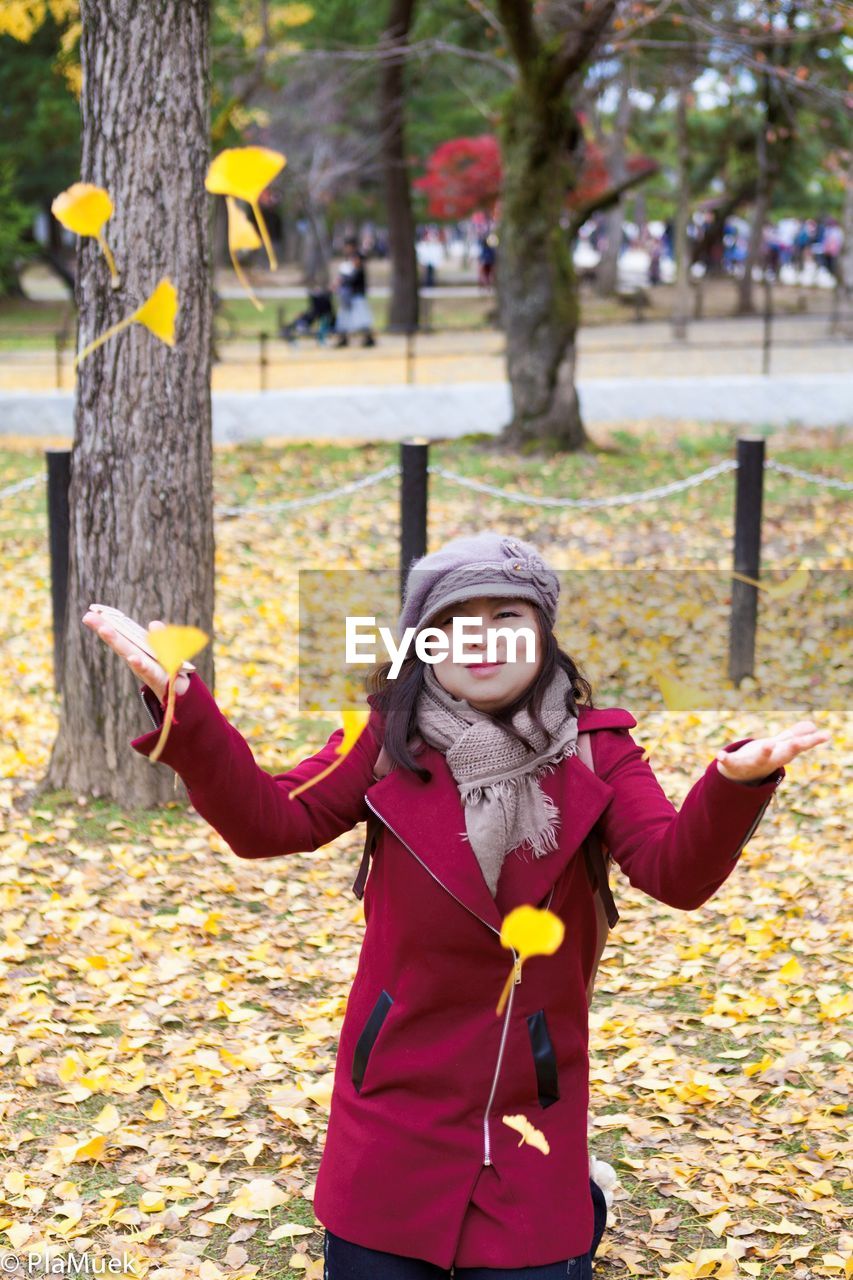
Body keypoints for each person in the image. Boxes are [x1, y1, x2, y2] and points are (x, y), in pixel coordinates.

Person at [82, 532, 828, 1279]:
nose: (481, 638)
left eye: (506, 616)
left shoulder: (597, 748)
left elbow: (674, 872)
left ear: (542, 634)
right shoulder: (380, 738)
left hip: (529, 1113)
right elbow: (271, 821)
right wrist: (190, 713)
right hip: (393, 1105)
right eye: (452, 621)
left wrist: (732, 786)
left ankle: (582, 1201)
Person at [333, 238, 376, 348]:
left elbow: (354, 276)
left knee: (362, 318)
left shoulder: (357, 257)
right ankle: (343, 338)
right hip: (349, 294)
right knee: (345, 317)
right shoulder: (350, 259)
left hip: (356, 293)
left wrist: (343, 280)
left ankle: (368, 338)